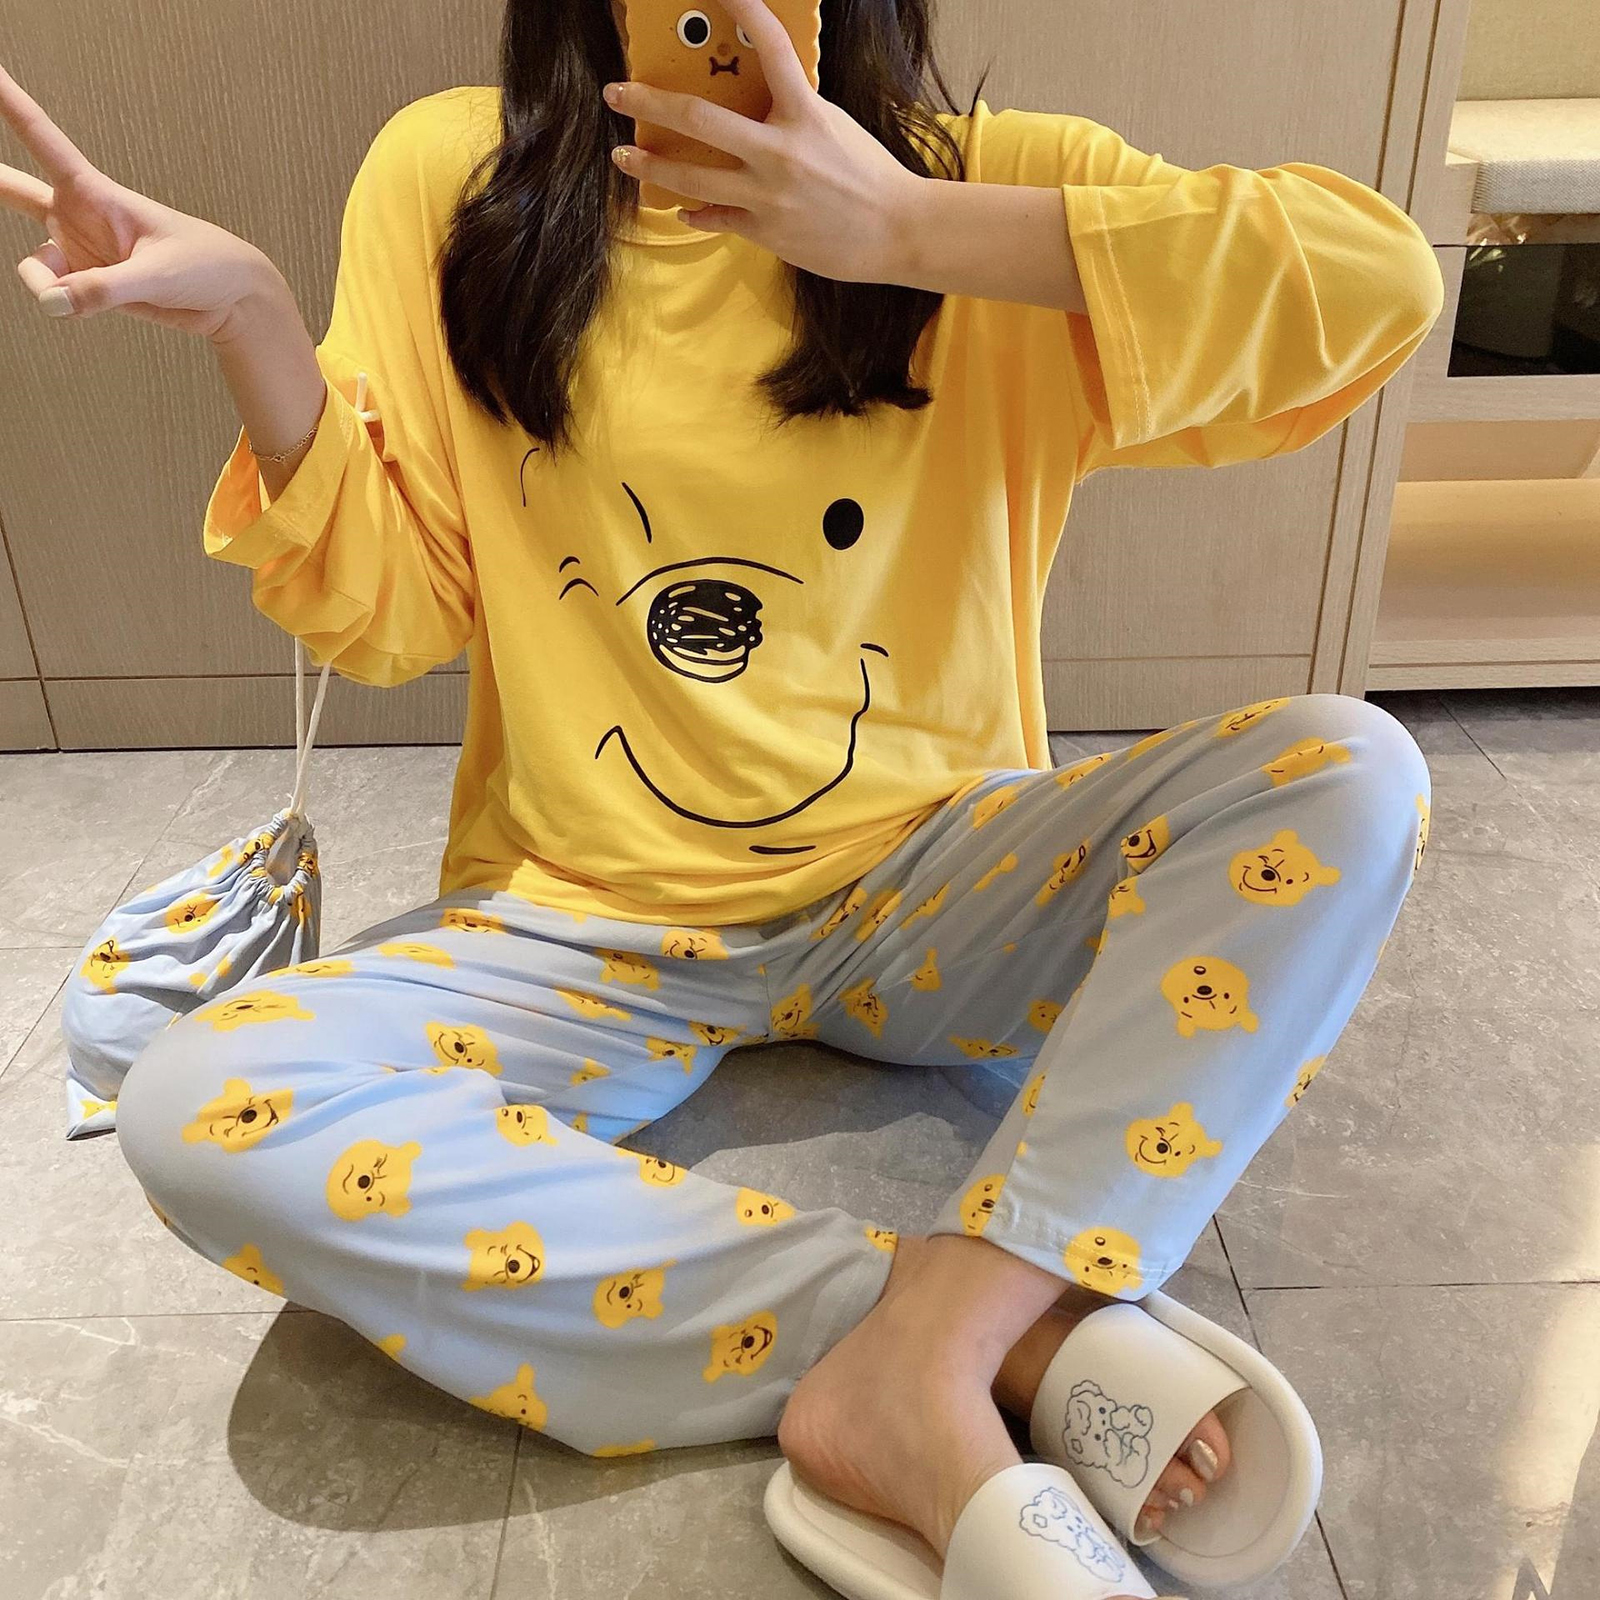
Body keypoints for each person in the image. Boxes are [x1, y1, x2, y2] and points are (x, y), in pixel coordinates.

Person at [1, 1, 1441, 1590]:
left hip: (933, 882)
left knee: (1348, 773)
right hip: (585, 915)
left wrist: (909, 228)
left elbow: (1376, 283)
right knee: (198, 1108)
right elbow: (395, 614)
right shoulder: (454, 184)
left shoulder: (980, 183)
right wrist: (255, 322)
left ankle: (937, 1348)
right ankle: (967, 1336)